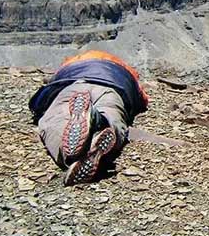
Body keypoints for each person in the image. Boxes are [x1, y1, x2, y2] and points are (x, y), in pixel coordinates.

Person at [28, 51, 149, 186]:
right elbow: (141, 99)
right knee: (113, 116)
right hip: (113, 87)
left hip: (73, 85)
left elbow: (39, 100)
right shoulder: (125, 70)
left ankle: (69, 155)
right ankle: (102, 122)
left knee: (55, 119)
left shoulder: (68, 66)